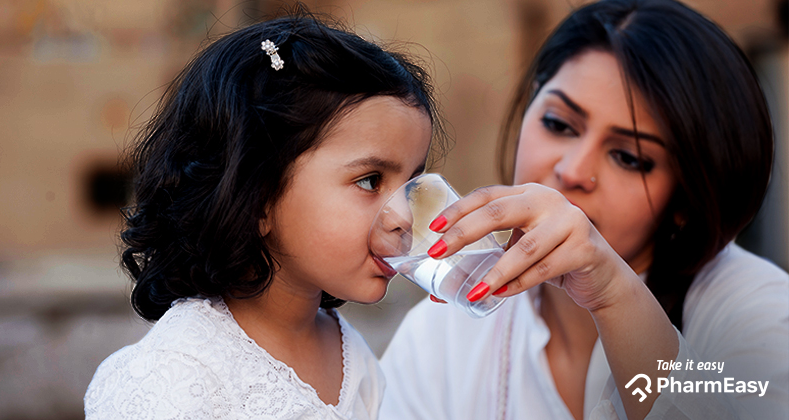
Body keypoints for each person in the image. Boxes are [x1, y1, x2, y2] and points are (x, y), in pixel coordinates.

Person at [379, 0, 789, 419]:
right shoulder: (445, 334)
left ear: (686, 199)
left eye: (629, 157)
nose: (573, 171)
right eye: (559, 124)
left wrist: (614, 294)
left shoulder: (756, 314)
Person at [84, 10, 444, 420]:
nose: (404, 217)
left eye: (412, 185)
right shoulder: (172, 375)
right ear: (257, 196)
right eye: (370, 181)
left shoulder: (353, 355)